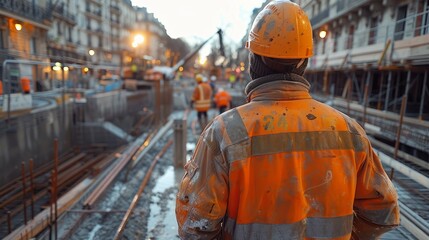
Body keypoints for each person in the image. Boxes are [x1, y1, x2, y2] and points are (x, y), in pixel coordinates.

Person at [176, 1, 400, 239]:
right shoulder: (349, 131)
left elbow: (195, 226)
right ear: (304, 62)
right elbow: (384, 212)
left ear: (253, 59)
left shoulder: (225, 132)